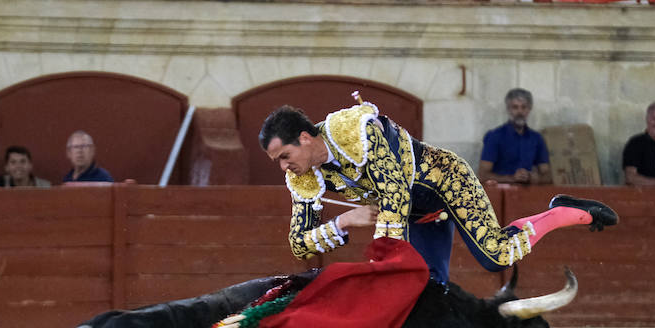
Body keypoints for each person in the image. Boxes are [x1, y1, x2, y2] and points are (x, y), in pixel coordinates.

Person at [259, 98, 616, 284]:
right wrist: (345, 222)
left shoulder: (350, 128)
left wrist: (384, 259)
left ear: (305, 138)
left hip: (445, 181)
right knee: (426, 289)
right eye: (277, 160)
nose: (283, 167)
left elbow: (395, 192)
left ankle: (563, 212)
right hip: (416, 214)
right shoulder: (303, 177)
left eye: (285, 156)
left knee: (497, 256)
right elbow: (298, 243)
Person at [477, 88, 551, 185]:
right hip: (500, 195)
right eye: (515, 107)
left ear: (529, 110)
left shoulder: (536, 138)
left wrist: (531, 177)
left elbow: (548, 176)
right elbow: (482, 175)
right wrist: (512, 178)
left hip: (528, 195)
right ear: (508, 109)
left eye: (524, 107)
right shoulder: (494, 136)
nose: (520, 112)